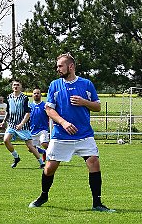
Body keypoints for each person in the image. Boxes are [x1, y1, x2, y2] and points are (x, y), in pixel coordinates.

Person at [29, 53, 115, 212]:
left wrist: (84, 102)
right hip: (61, 135)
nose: (58, 69)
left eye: (60, 66)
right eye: (57, 66)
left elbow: (97, 107)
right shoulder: (55, 85)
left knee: (94, 163)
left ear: (71, 66)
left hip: (84, 135)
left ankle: (97, 203)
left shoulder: (86, 84)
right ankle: (43, 195)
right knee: (49, 169)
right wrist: (63, 122)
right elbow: (49, 109)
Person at [0, 80, 45, 169]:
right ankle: (16, 157)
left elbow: (28, 113)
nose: (16, 87)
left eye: (18, 85)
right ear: (12, 87)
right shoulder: (9, 97)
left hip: (23, 126)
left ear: (21, 87)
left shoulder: (24, 98)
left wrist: (21, 124)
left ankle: (41, 163)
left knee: (30, 146)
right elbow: (8, 111)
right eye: (14, 85)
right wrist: (4, 121)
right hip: (12, 124)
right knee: (6, 140)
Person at [29, 87, 50, 162]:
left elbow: (50, 116)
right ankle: (43, 152)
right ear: (32, 95)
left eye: (38, 93)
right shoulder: (30, 106)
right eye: (35, 93)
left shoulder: (45, 106)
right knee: (31, 148)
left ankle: (51, 157)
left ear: (41, 95)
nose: (36, 95)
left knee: (44, 143)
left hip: (43, 129)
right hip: (33, 130)